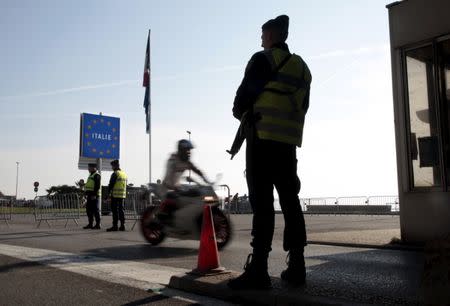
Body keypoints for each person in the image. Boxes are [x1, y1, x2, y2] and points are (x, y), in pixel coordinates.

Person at [227, 15, 312, 290]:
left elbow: (240, 102)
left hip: (262, 139)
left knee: (263, 206)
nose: (261, 41)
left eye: (263, 36)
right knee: (290, 202)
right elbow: (304, 105)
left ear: (272, 36)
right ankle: (297, 265)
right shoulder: (302, 67)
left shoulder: (263, 60)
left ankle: (259, 270)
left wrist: (245, 114)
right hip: (288, 145)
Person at [157, 140, 211, 220]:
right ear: (181, 150)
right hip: (167, 188)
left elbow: (197, 171)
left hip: (177, 188)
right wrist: (175, 188)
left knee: (195, 195)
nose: (189, 152)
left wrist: (207, 180)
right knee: (172, 211)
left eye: (189, 150)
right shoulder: (172, 160)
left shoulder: (187, 162)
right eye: (187, 150)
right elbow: (169, 175)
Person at [106, 159, 128, 232]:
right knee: (121, 210)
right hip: (122, 195)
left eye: (112, 166)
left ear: (114, 166)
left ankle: (115, 226)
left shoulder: (115, 173)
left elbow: (111, 185)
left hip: (115, 195)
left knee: (115, 211)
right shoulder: (124, 174)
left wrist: (107, 194)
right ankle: (122, 225)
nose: (111, 168)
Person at [83, 163, 101, 229]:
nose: (88, 169)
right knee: (89, 210)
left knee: (95, 210)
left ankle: (98, 224)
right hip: (90, 195)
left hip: (94, 196)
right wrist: (86, 192)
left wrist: (94, 195)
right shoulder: (91, 175)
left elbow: (97, 186)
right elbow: (89, 185)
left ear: (94, 168)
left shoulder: (96, 175)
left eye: (89, 167)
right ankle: (90, 224)